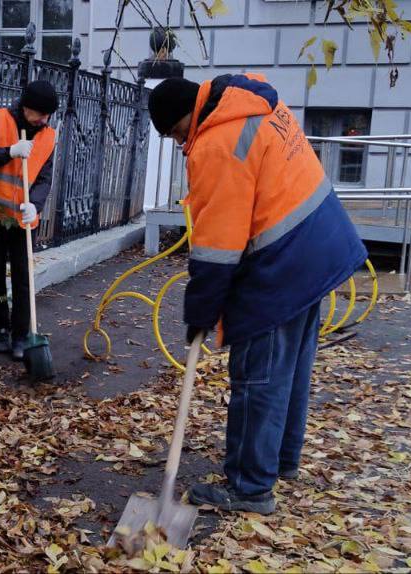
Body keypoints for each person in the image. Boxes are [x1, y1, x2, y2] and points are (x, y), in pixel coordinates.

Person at [148, 74, 368, 514]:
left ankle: (250, 487)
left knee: (258, 375)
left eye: (175, 133)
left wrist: (201, 311)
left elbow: (217, 248)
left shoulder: (216, 143)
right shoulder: (250, 102)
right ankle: (280, 459)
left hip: (282, 263)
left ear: (187, 115)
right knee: (289, 367)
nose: (180, 143)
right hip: (319, 249)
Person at [0, 80, 60, 360]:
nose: (45, 120)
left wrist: (35, 205)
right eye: (41, 114)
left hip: (22, 218)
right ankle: (1, 330)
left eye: (48, 115)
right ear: (27, 108)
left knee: (22, 278)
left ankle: (21, 335)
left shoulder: (48, 136)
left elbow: (44, 178)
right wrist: (8, 152)